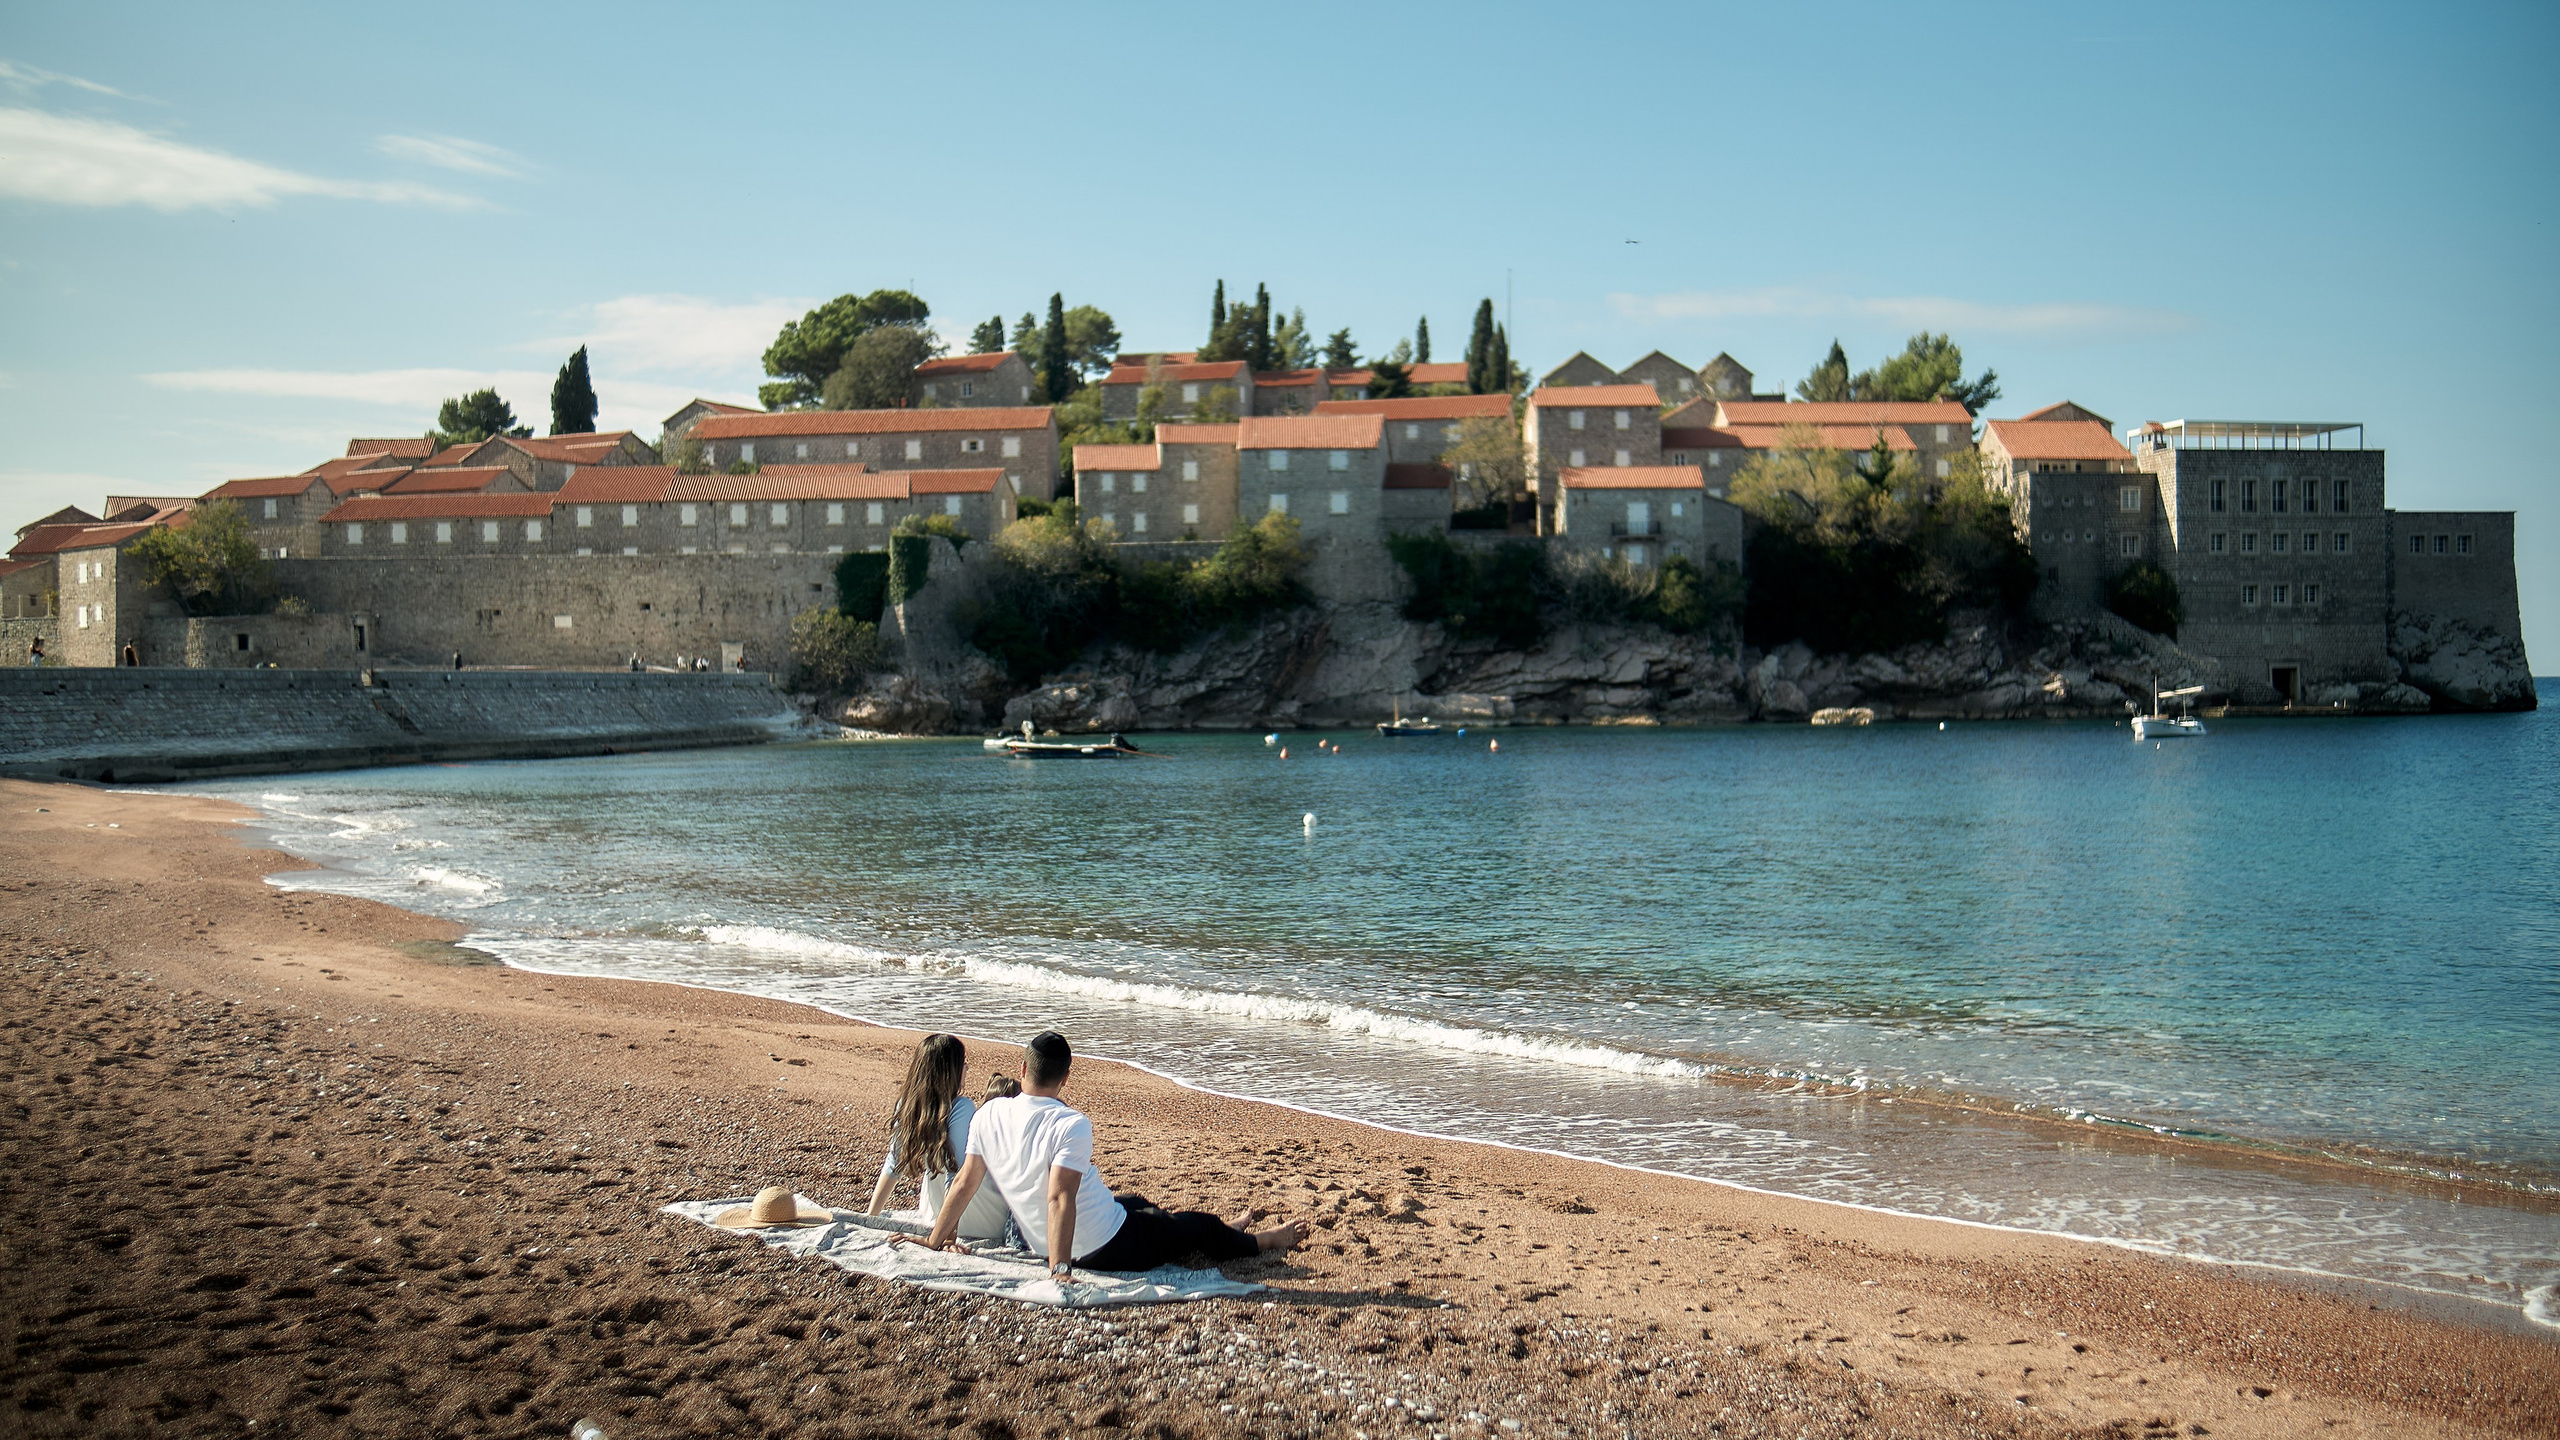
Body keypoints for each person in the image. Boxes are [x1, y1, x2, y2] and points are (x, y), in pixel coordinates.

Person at [920, 1031, 1306, 1280]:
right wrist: (1060, 1270)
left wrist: (936, 1240)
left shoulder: (988, 1113)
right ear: (1065, 1078)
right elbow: (1059, 1198)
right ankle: (1263, 1241)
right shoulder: (1071, 1122)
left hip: (1042, 1239)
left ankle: (1216, 1232)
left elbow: (965, 1182)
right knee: (1197, 1225)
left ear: (1023, 1069)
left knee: (1137, 1203)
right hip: (1100, 1246)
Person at [866, 1034, 1011, 1242]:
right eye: (963, 1063)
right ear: (949, 1071)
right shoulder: (961, 1107)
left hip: (936, 1214)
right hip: (980, 1217)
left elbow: (893, 1164)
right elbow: (957, 1174)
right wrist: (947, 1238)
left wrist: (870, 1218)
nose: (967, 1068)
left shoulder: (907, 1107)